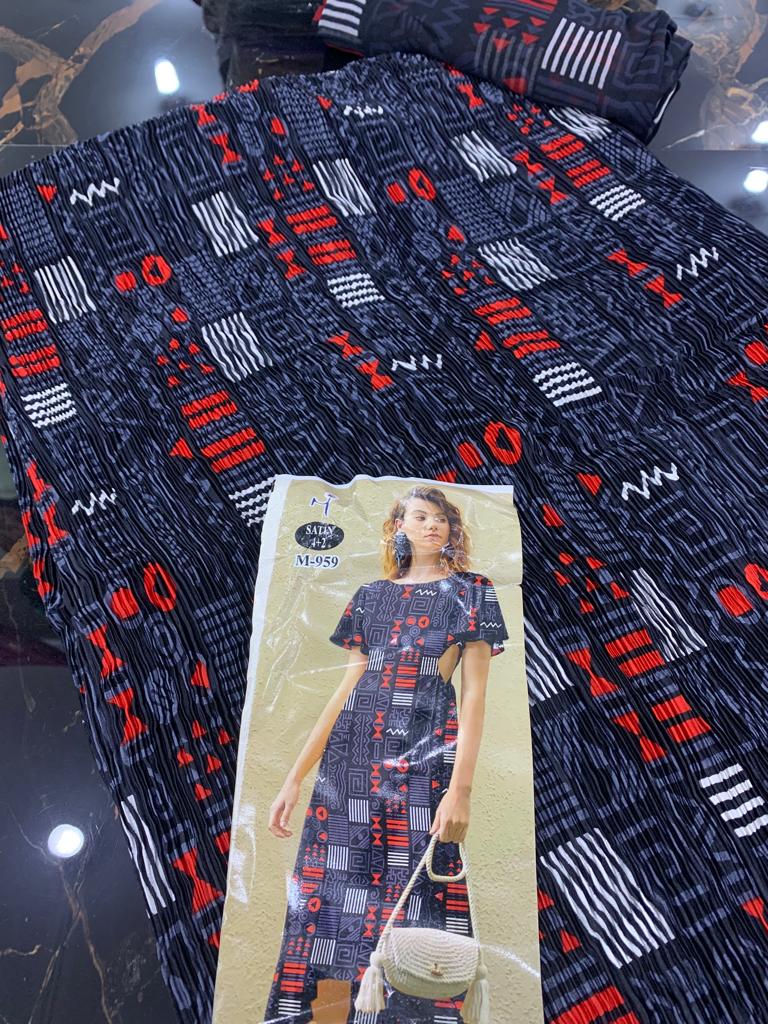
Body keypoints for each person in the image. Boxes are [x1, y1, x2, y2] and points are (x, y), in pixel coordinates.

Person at [265, 484, 509, 1023]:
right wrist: (294, 778)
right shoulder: (370, 595)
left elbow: (474, 696)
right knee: (328, 892)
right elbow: (345, 690)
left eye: (441, 518)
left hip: (424, 755)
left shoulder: (472, 591)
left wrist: (461, 790)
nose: (432, 526)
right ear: (399, 527)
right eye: (420, 517)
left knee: (415, 888)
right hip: (350, 759)